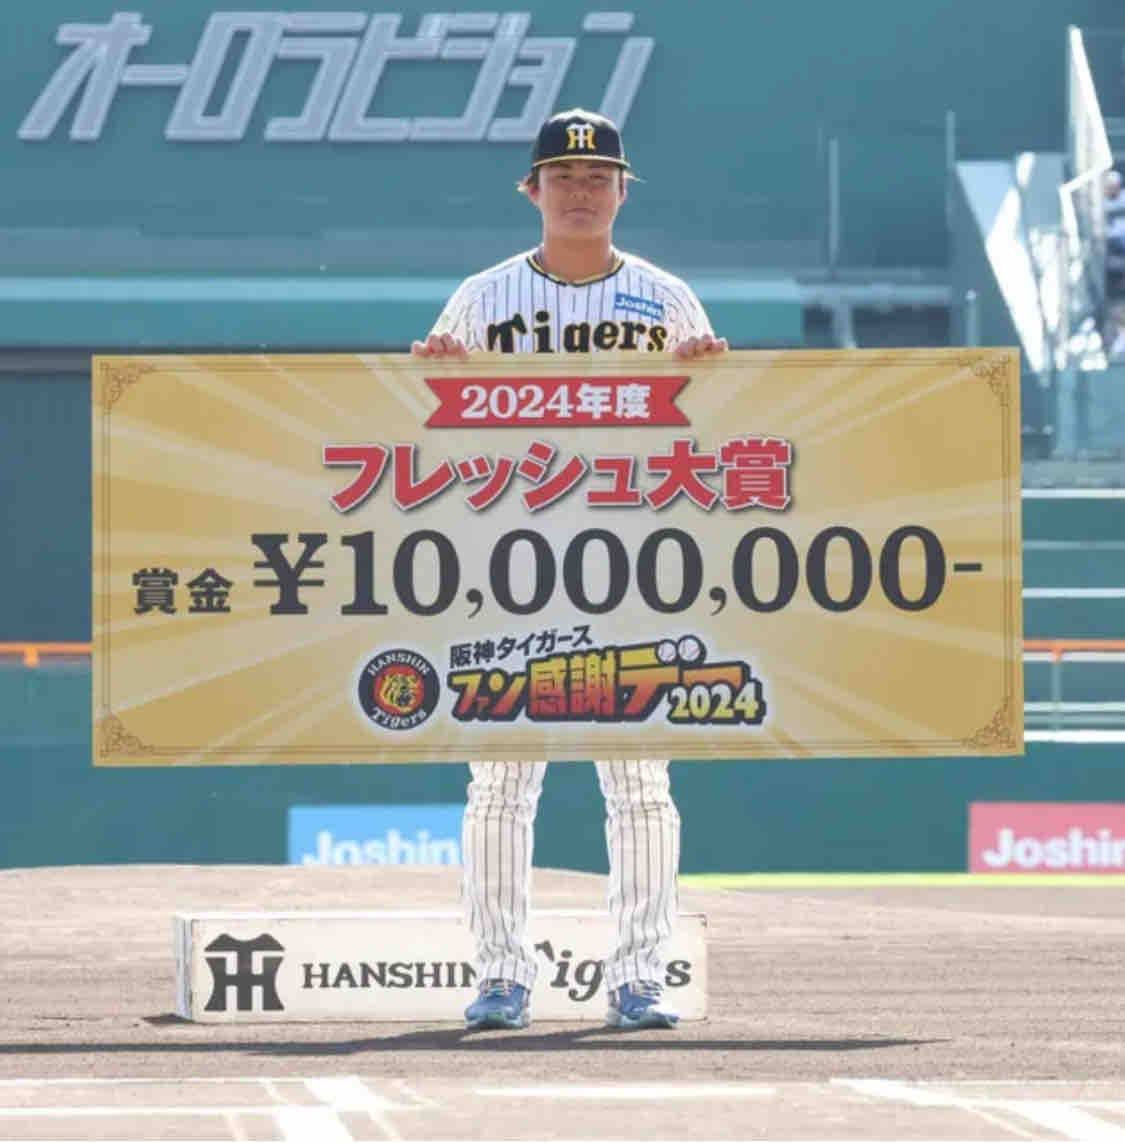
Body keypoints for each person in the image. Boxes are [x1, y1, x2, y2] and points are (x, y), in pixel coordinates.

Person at [412, 108, 727, 1032]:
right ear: (532, 190)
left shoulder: (668, 298)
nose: (580, 191)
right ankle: (500, 974)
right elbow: (417, 427)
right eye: (563, 177)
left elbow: (720, 433)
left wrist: (711, 376)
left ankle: (639, 976)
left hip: (632, 564)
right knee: (501, 783)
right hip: (507, 563)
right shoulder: (481, 298)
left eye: (597, 178)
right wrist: (434, 372)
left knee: (639, 782)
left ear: (622, 191)